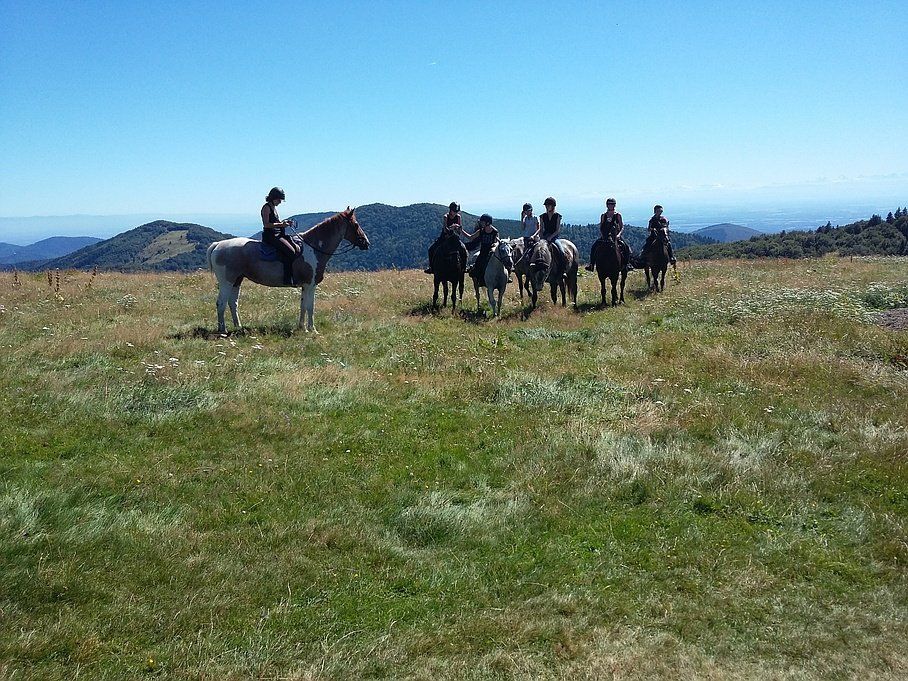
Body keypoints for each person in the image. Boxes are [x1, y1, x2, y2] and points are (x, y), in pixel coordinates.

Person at [261, 187, 300, 285]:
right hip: (270, 236)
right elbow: (266, 224)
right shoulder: (266, 208)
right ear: (273, 198)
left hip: (277, 234)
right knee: (291, 252)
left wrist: (285, 222)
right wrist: (282, 225)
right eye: (279, 199)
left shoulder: (273, 208)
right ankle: (287, 279)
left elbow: (276, 222)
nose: (280, 202)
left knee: (296, 248)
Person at [586, 197, 632, 272]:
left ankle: (627, 264)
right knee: (594, 247)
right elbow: (601, 227)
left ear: (614, 205)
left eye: (612, 204)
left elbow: (621, 226)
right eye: (609, 204)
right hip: (605, 236)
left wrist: (619, 235)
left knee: (626, 247)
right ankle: (591, 264)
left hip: (616, 236)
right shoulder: (603, 215)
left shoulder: (618, 215)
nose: (611, 205)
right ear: (607, 205)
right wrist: (602, 235)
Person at [424, 202, 466, 274]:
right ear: (450, 210)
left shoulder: (458, 217)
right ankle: (431, 267)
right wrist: (452, 227)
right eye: (454, 211)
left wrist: (457, 228)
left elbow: (459, 229)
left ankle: (464, 267)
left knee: (463, 249)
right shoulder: (446, 216)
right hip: (444, 237)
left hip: (455, 238)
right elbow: (445, 229)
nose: (455, 213)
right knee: (431, 249)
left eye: (456, 211)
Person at [465, 214, 500, 280]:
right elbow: (470, 237)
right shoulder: (481, 231)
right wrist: (461, 230)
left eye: (482, 222)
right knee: (477, 266)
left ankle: (507, 275)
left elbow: (497, 241)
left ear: (487, 223)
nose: (481, 223)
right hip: (483, 253)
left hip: (492, 252)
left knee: (503, 261)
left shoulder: (495, 232)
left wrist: (495, 245)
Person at [540, 196, 566, 273]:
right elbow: (541, 229)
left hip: (554, 237)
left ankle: (563, 270)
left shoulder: (558, 216)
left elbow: (557, 230)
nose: (546, 207)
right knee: (534, 250)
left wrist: (551, 237)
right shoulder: (542, 216)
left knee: (561, 251)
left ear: (553, 206)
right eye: (546, 205)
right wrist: (541, 238)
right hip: (545, 236)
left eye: (548, 205)